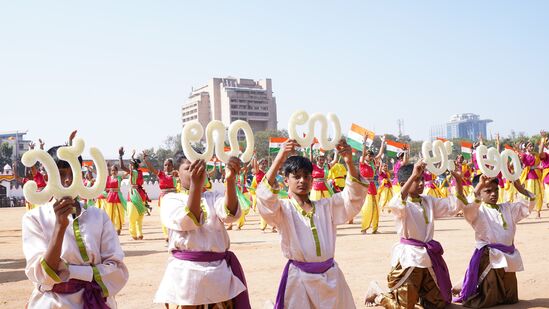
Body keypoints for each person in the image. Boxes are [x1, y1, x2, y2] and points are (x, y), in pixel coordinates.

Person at [256, 138, 370, 308]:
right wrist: (280, 157)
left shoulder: (327, 206)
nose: (302, 180)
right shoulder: (283, 210)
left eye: (306, 176)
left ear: (312, 180)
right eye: (296, 176)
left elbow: (352, 198)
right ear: (286, 180)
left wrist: (349, 162)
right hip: (299, 281)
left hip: (331, 279)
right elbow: (265, 199)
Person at [22, 143, 128, 308]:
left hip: (96, 300)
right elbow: (43, 276)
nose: (68, 180)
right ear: (47, 178)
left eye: (74, 174)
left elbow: (118, 272)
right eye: (61, 174)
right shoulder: (35, 218)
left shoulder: (99, 217)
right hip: (53, 303)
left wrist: (69, 271)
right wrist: (59, 227)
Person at [153, 153, 250, 308]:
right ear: (176, 174)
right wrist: (195, 187)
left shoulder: (213, 197)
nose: (196, 171)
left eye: (200, 167)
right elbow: (188, 221)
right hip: (186, 277)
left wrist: (230, 180)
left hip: (218, 275)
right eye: (189, 168)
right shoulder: (170, 200)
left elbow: (230, 215)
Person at [365, 160, 466, 308]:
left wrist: (458, 180)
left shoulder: (428, 201)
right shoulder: (403, 205)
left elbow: (454, 206)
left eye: (422, 179)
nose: (421, 183)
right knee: (405, 307)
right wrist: (413, 175)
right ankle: (378, 294)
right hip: (410, 259)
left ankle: (416, 296)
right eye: (416, 180)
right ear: (404, 183)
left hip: (428, 258)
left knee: (438, 304)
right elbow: (395, 203)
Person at [453, 174, 535, 307]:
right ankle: (461, 286)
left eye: (496, 190)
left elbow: (527, 207)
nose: (493, 194)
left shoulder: (507, 208)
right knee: (486, 299)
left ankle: (461, 284)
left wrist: (521, 190)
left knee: (510, 298)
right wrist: (479, 185)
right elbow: (467, 207)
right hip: (489, 258)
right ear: (480, 192)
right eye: (488, 191)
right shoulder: (477, 211)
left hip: (508, 256)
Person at [143, 152, 178, 241]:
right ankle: (166, 234)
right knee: (164, 216)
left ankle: (174, 232)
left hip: (174, 197)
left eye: (169, 165)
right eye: (165, 165)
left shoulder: (175, 174)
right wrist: (146, 159)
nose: (167, 167)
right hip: (164, 198)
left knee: (174, 216)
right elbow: (151, 168)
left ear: (172, 166)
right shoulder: (161, 174)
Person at [359, 138, 384, 233]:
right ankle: (364, 228)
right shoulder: (362, 163)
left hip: (373, 186)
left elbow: (380, 154)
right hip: (365, 186)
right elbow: (363, 153)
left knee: (376, 207)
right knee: (367, 207)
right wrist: (364, 142)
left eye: (371, 156)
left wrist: (382, 142)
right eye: (368, 155)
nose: (370, 157)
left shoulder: (373, 163)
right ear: (365, 156)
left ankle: (375, 228)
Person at [519, 141, 543, 218]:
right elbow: (521, 160)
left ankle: (538, 211)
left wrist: (542, 141)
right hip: (527, 177)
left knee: (538, 194)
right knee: (527, 195)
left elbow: (541, 153)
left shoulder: (535, 155)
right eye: (529, 146)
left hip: (536, 176)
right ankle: (526, 211)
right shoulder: (524, 155)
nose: (531, 147)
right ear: (526, 147)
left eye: (532, 146)